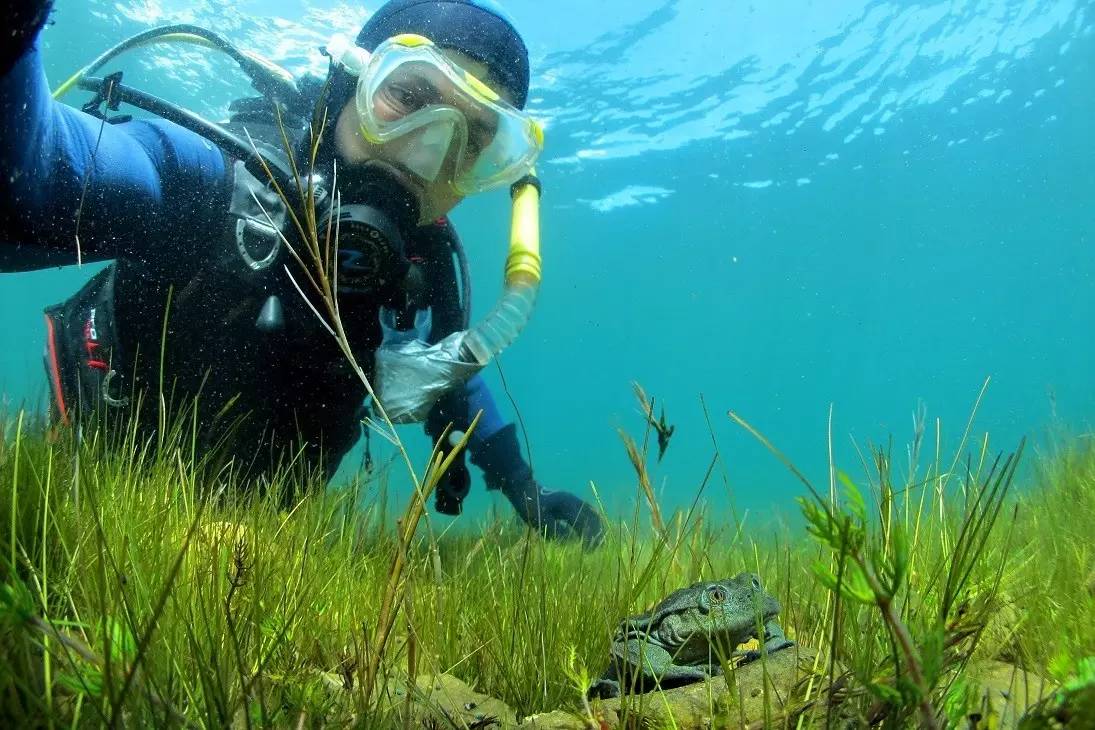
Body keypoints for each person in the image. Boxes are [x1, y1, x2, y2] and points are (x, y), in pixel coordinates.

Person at [0, 0, 605, 546]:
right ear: (351, 86)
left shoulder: (423, 279)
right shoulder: (217, 185)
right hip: (87, 473)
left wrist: (525, 491)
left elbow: (456, 377)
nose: (425, 154)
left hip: (257, 549)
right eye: (410, 100)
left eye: (471, 141)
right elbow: (32, 182)